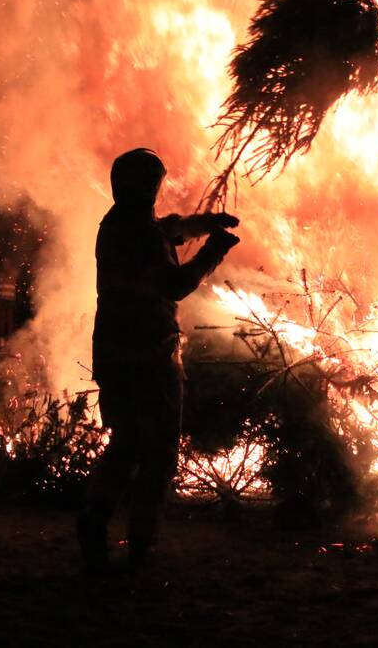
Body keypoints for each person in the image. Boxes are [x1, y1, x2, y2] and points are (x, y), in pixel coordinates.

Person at [79, 148, 240, 572]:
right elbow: (178, 284)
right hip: (150, 358)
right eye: (152, 181)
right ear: (141, 185)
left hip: (115, 355)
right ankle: (140, 547)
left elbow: (170, 230)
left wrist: (205, 224)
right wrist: (216, 249)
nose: (155, 189)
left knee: (125, 446)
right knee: (158, 455)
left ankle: (92, 530)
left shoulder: (117, 223)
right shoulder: (142, 235)